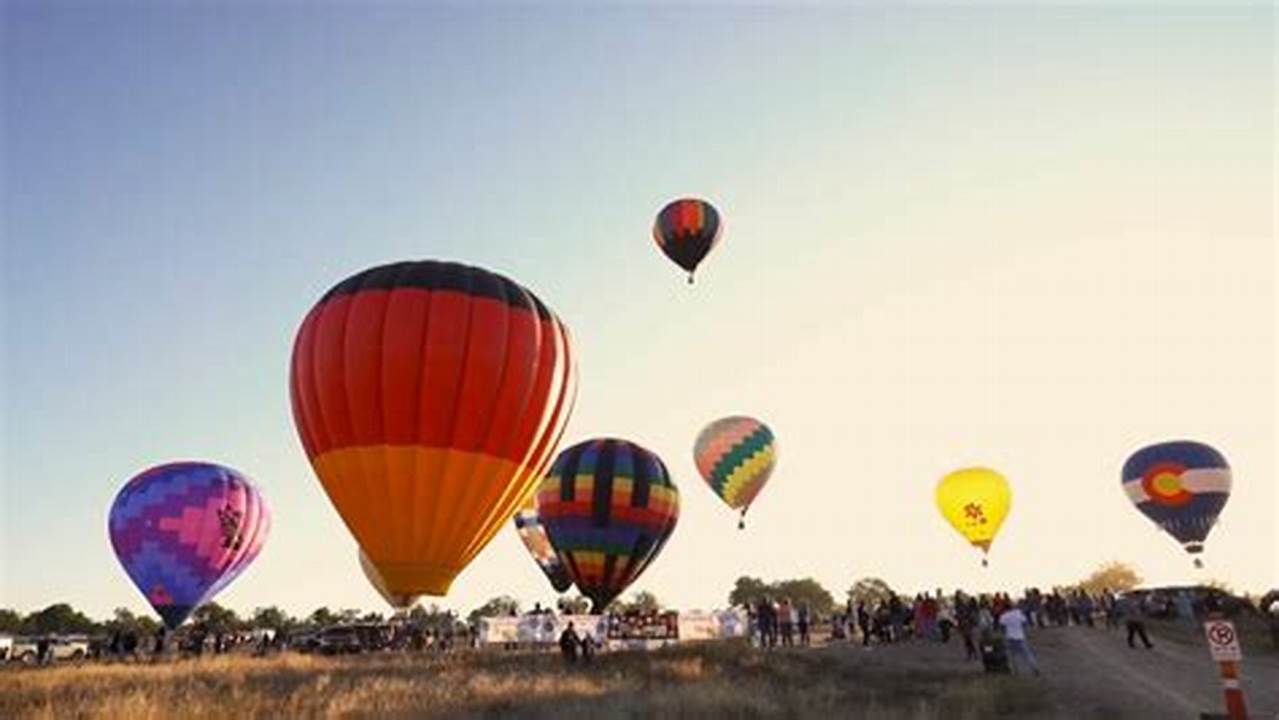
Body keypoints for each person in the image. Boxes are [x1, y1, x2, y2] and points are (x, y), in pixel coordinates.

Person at [997, 605, 1040, 676]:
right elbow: (1025, 623)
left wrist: (1003, 635)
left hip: (1009, 637)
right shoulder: (1018, 613)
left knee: (1012, 656)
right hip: (1020, 636)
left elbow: (1002, 628)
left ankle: (1015, 671)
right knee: (1027, 654)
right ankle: (1034, 668)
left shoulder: (1004, 616)